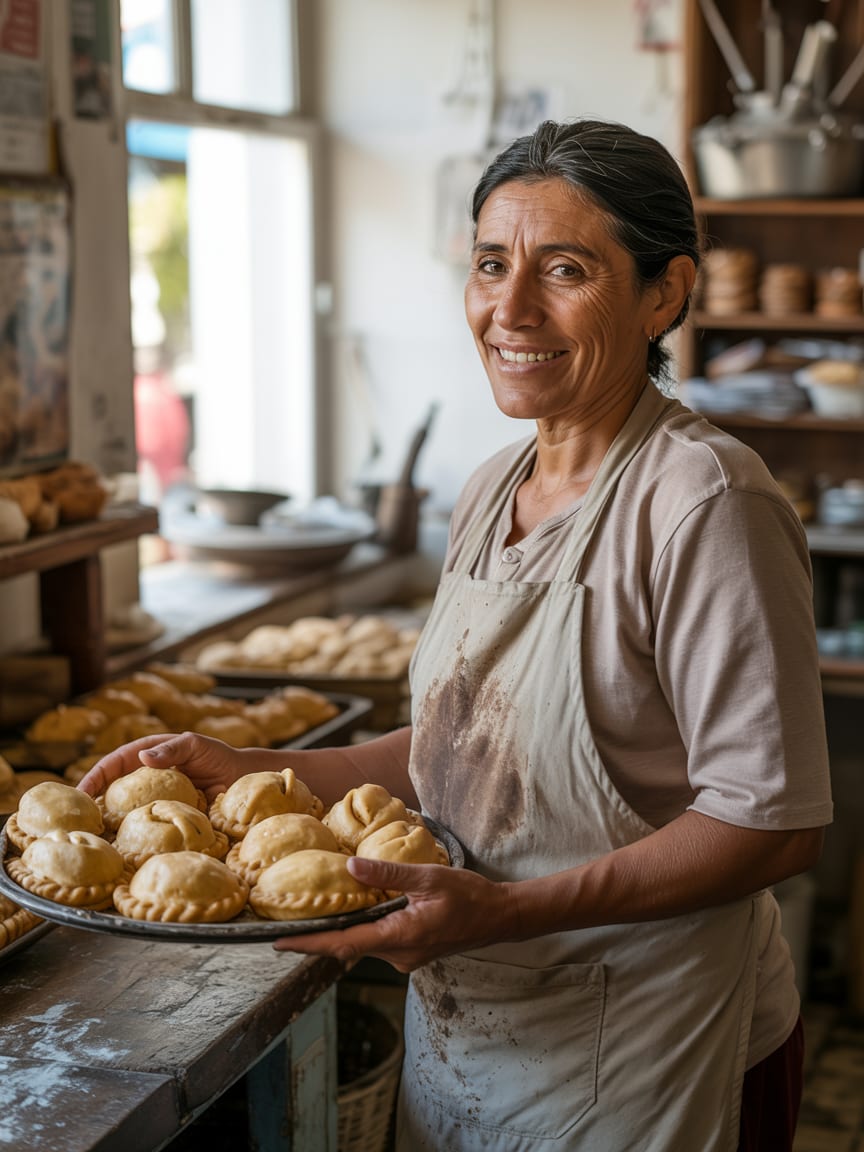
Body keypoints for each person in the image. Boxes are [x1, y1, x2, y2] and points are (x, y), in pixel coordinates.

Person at [81, 119, 833, 1151]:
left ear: (666, 293)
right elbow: (466, 748)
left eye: (564, 269)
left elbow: (773, 822)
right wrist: (257, 766)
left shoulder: (703, 501)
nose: (509, 307)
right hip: (480, 1031)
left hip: (652, 1047)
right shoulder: (490, 491)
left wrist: (506, 911)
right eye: (490, 264)